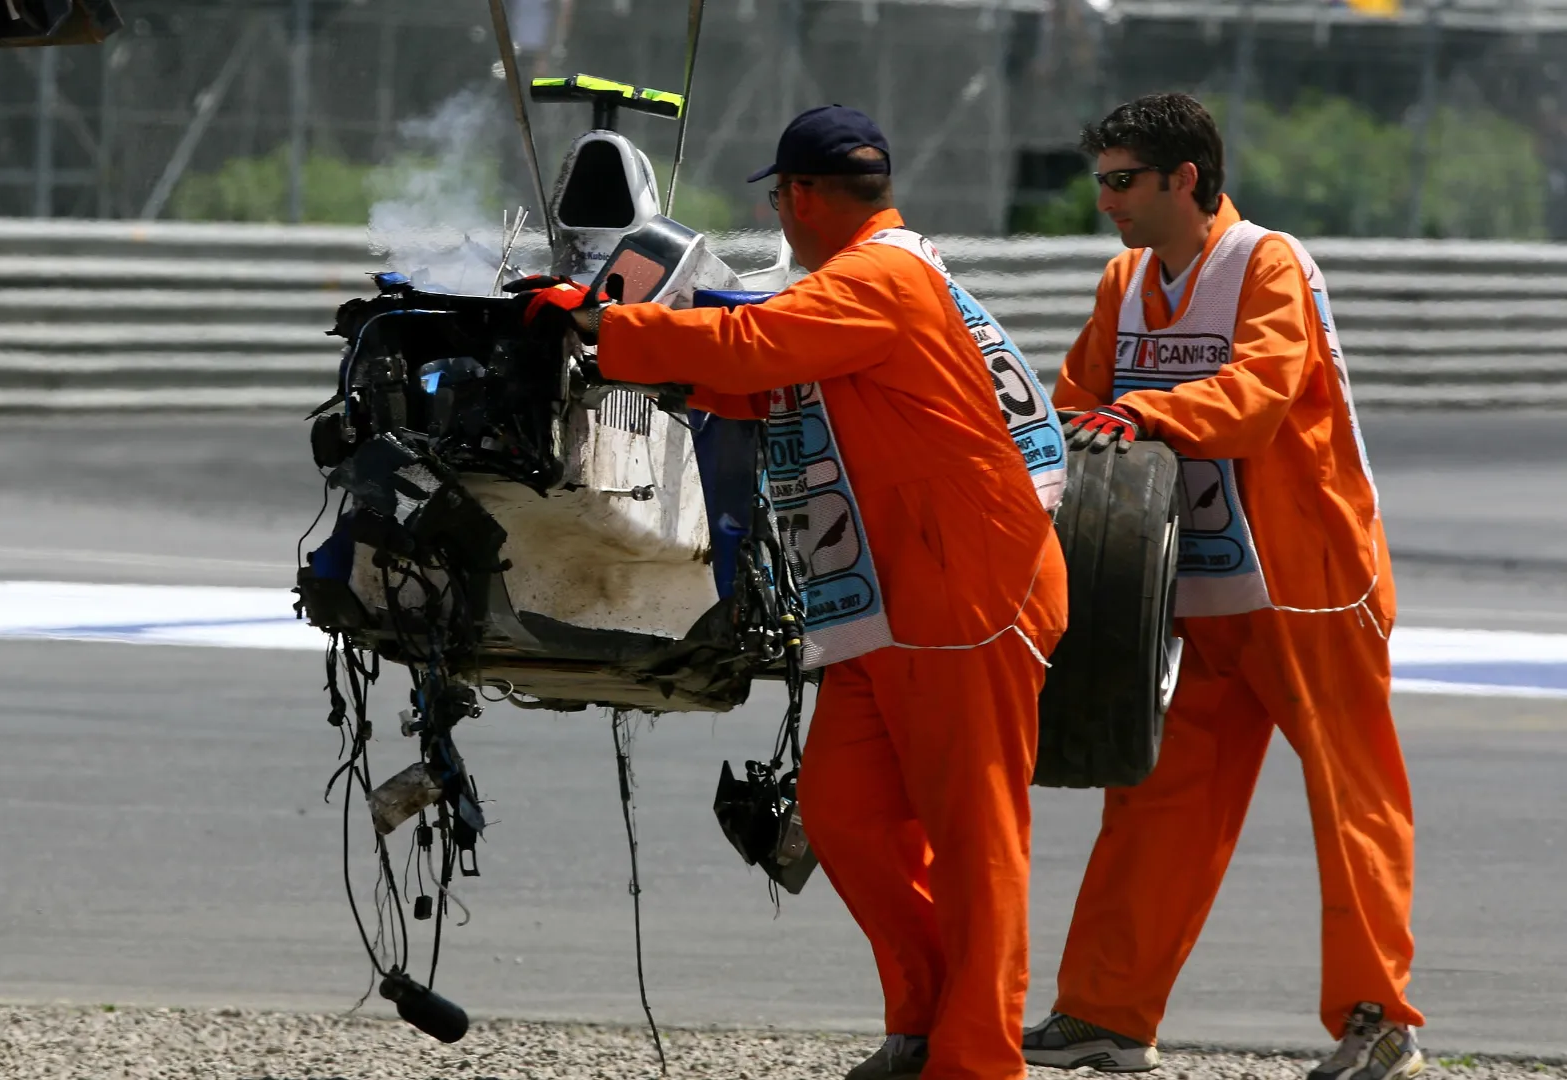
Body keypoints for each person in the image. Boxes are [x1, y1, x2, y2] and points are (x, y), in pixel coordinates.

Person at [528, 104, 1070, 1080]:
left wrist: (606, 327)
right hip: (886, 598)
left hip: (965, 593)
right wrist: (635, 361)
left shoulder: (883, 275)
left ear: (805, 196)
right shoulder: (858, 285)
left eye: (779, 196)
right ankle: (927, 1020)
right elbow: (759, 383)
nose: (779, 214)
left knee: (979, 842)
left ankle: (975, 1061)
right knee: (844, 815)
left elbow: (752, 353)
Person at [1022, 93, 1423, 1080]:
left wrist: (1146, 414)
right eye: (1101, 181)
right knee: (1153, 799)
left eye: (1122, 181)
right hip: (1192, 594)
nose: (1106, 200)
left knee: (1351, 802)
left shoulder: (1268, 262)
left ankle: (1383, 1022)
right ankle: (1108, 1015)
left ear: (1183, 179)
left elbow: (1259, 393)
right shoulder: (1122, 282)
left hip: (1310, 587)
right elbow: (1076, 404)